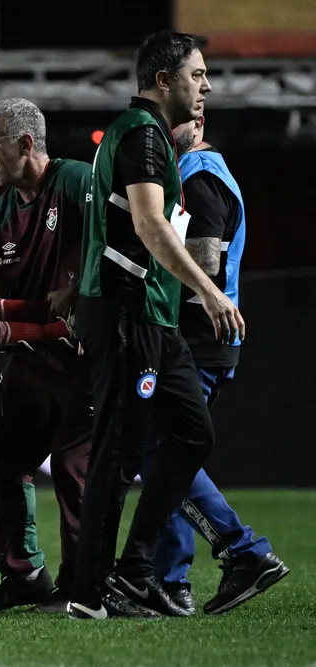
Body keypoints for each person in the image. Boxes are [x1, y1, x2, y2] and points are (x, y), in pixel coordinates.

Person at [67, 31, 245, 620]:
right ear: (163, 81)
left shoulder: (142, 138)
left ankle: (138, 570)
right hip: (127, 313)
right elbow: (149, 224)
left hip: (152, 316)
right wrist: (210, 291)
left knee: (194, 435)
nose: (207, 86)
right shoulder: (143, 134)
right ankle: (90, 595)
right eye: (197, 75)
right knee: (119, 454)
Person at [146, 114, 288, 615]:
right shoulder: (198, 172)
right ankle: (171, 581)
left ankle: (243, 551)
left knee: (164, 451)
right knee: (165, 450)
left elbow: (201, 269)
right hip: (207, 338)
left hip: (198, 338)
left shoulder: (199, 179)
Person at [0, 98, 93, 612]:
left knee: (74, 472)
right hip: (29, 367)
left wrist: (79, 288)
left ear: (24, 143)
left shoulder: (78, 181)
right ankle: (27, 577)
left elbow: (124, 242)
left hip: (84, 362)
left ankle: (82, 587)